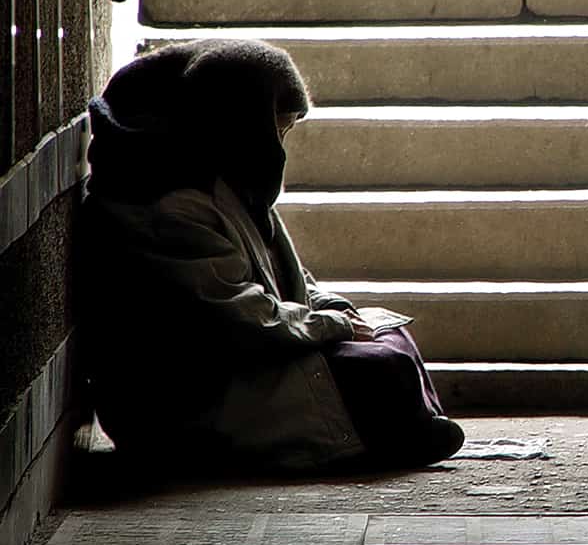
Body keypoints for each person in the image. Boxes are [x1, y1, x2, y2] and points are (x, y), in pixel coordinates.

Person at [78, 38, 465, 473]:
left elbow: (289, 276)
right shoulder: (165, 206)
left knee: (391, 337)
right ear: (241, 121)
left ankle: (410, 426)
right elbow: (239, 317)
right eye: (276, 128)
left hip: (255, 354)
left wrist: (338, 310)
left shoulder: (224, 179)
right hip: (197, 392)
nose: (279, 143)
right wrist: (333, 326)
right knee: (380, 366)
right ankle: (398, 434)